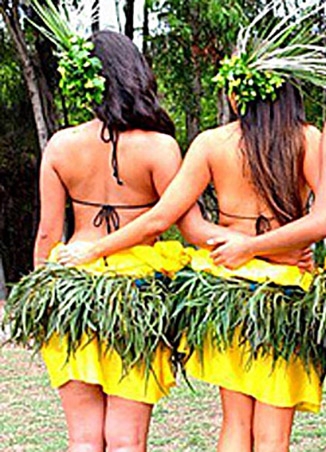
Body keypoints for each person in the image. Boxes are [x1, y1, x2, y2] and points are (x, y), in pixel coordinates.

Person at [55, 3, 326, 451]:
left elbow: (174, 219)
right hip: (285, 291)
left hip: (226, 287)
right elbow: (325, 220)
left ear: (238, 92)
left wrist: (242, 247)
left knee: (235, 424)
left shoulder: (211, 144)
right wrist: (266, 250)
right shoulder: (308, 138)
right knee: (272, 433)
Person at [3, 21, 190, 451]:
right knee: (126, 440)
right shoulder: (160, 148)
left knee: (84, 439)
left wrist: (43, 303)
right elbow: (174, 221)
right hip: (137, 293)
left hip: (71, 287)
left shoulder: (61, 147)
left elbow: (48, 233)